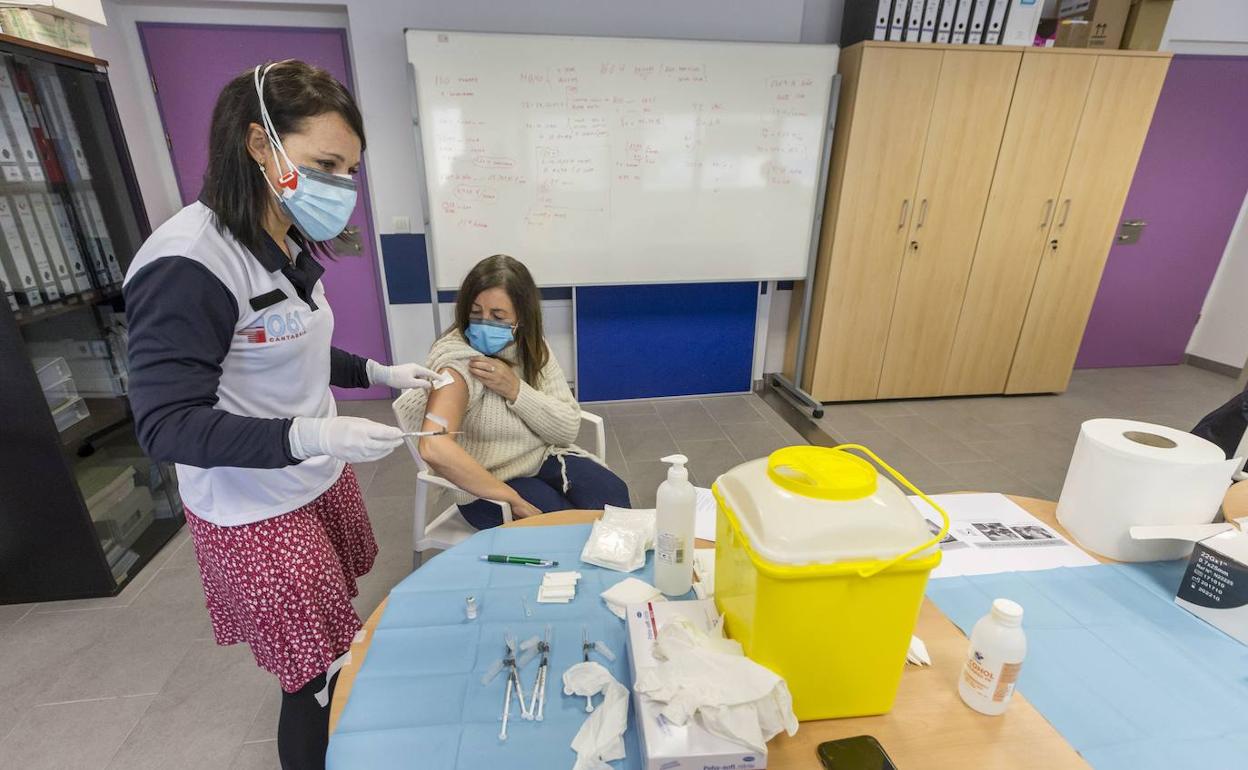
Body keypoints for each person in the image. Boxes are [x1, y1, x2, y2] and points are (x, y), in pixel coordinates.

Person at [123, 60, 437, 770]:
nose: (340, 187)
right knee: (314, 680)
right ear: (260, 145)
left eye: (349, 169)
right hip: (253, 510)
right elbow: (167, 423)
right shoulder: (187, 264)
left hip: (311, 479)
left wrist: (376, 374)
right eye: (324, 163)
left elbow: (288, 344)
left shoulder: (283, 231)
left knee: (338, 640)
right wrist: (314, 432)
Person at [415, 255, 630, 527]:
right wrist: (512, 498)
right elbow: (433, 446)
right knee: (566, 525)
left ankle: (616, 566)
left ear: (522, 317)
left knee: (614, 498)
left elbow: (566, 429)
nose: (483, 324)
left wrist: (516, 389)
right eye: (475, 312)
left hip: (541, 457)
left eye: (497, 316)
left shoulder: (531, 346)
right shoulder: (457, 363)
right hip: (487, 483)